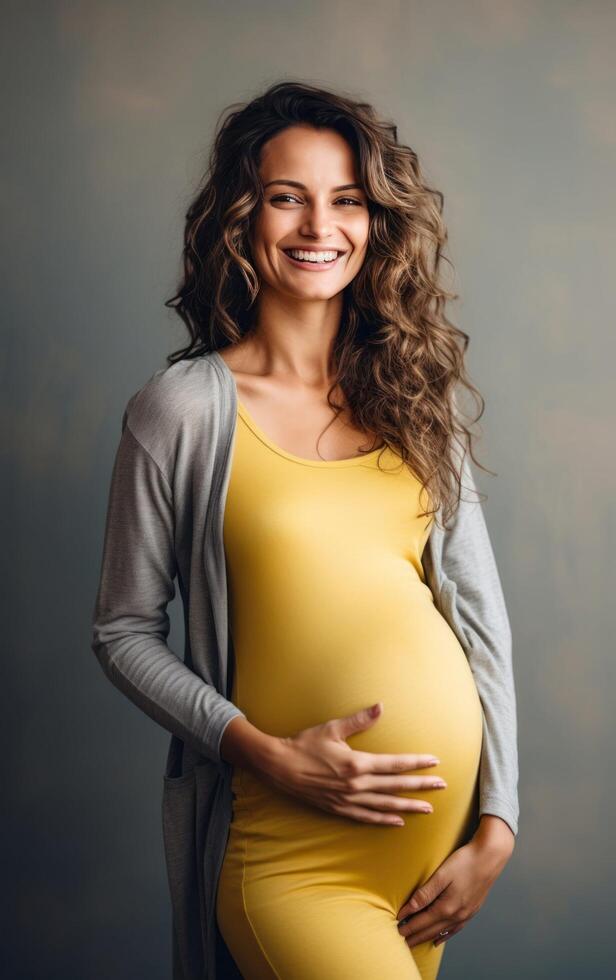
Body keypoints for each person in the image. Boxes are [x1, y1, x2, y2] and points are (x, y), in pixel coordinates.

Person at [92, 81, 519, 980]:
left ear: (375, 222)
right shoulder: (181, 409)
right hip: (294, 859)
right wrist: (257, 749)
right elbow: (122, 631)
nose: (318, 225)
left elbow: (478, 617)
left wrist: (499, 825)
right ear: (243, 218)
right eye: (287, 197)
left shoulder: (413, 401)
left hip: (432, 874)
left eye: (347, 200)